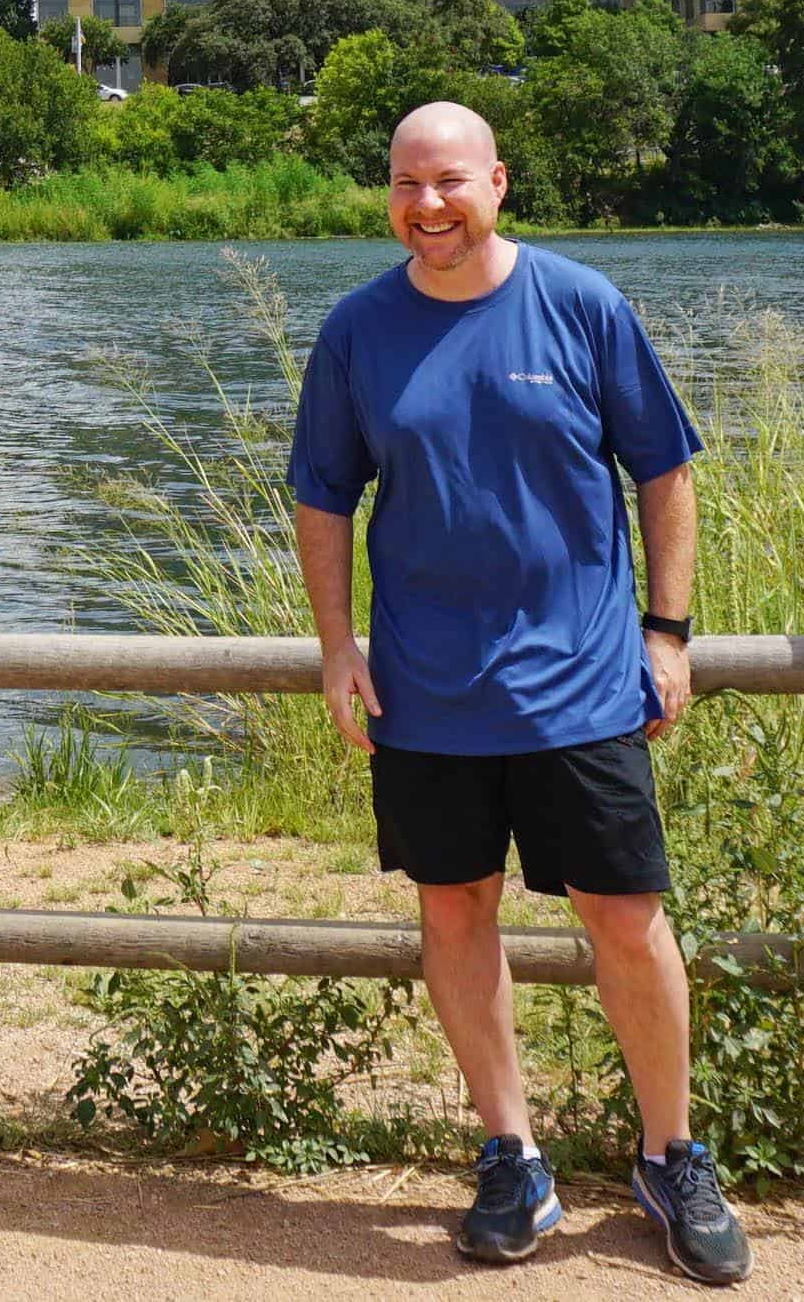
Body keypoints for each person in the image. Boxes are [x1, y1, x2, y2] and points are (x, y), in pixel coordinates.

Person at [289, 99, 752, 1287]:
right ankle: (512, 1155)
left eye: (448, 180)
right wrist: (338, 646)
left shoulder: (582, 305)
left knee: (627, 919)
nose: (426, 205)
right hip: (426, 692)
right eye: (405, 183)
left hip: (584, 684)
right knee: (455, 914)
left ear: (498, 182)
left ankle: (672, 1154)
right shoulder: (356, 332)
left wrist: (669, 631)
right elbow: (324, 498)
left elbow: (664, 471)